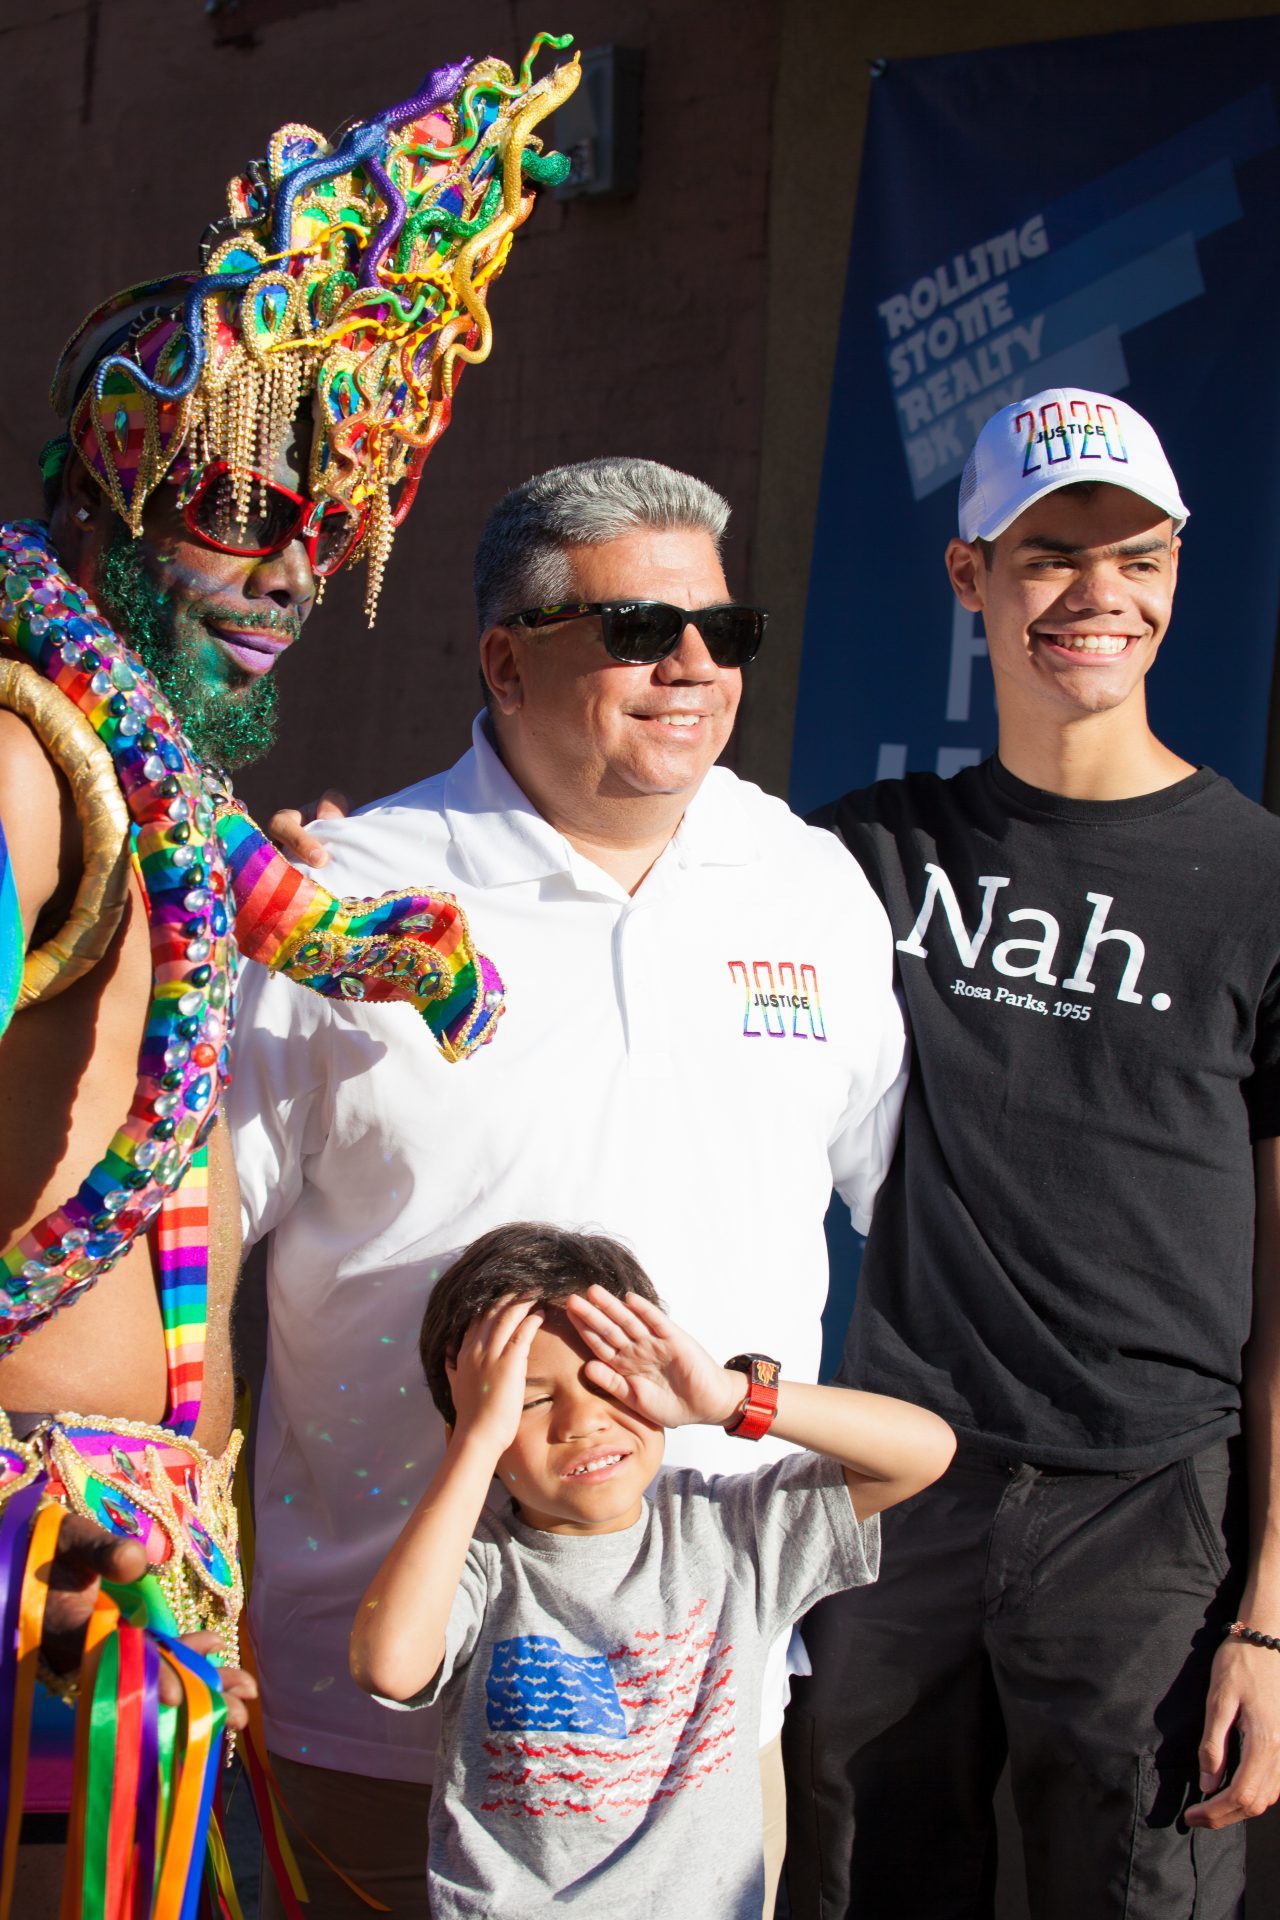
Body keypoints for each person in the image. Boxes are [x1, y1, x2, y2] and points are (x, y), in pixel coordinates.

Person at [0, 41, 576, 1913]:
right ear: (116, 482)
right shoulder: (28, 753)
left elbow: (227, 943)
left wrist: (346, 934)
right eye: (241, 504)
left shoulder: (166, 785)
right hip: (40, 1569)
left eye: (325, 528)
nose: (284, 572)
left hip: (149, 1570)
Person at [230, 454, 910, 1915]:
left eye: (723, 635)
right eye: (634, 632)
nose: (689, 668)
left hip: (703, 1733)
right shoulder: (350, 898)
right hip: (385, 1711)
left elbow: (898, 1214)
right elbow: (190, 1245)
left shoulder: (811, 889)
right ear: (506, 657)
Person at [785, 387, 1280, 1918]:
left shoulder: (1261, 881)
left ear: (1179, 573)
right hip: (897, 1489)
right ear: (968, 577)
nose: (1096, 597)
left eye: (1135, 557)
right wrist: (389, 888)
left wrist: (1268, 1613)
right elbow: (611, 887)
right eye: (1049, 554)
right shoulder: (863, 852)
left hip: (1155, 1519)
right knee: (864, 1887)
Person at [348, 1221, 954, 1918]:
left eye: (612, 1382)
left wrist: (728, 1398)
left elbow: (924, 1451)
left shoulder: (731, 1528)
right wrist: (474, 1443)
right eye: (532, 1400)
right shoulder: (473, 1555)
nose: (584, 1422)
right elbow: (388, 1665)